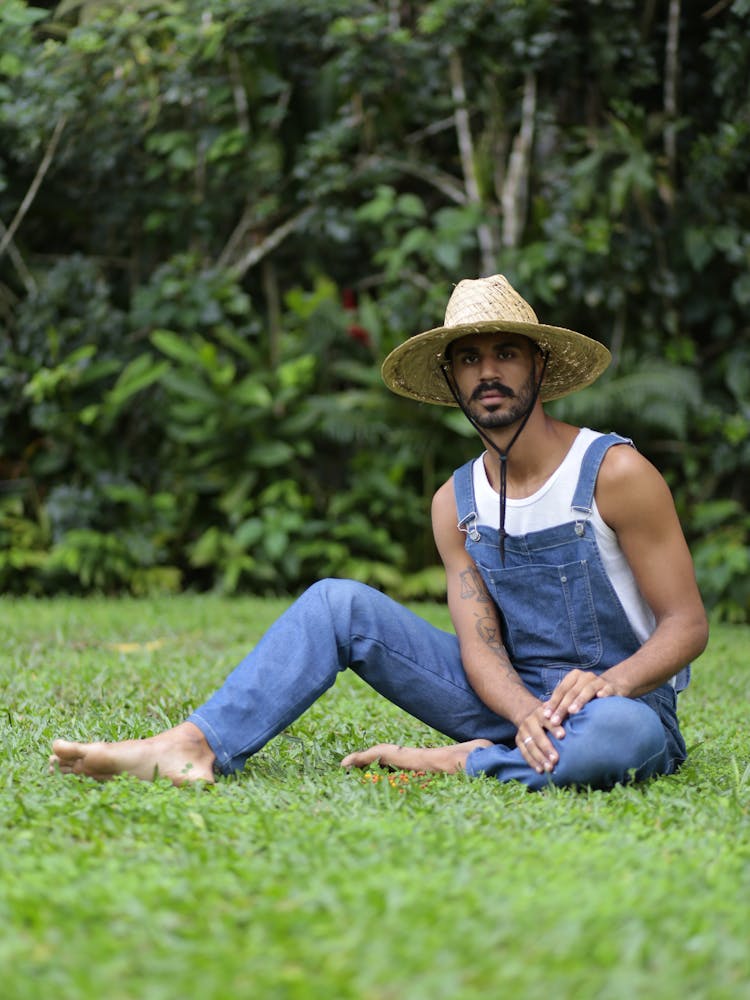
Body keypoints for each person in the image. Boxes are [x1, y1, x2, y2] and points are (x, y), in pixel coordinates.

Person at [49, 274, 709, 791]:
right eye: (469, 359)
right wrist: (522, 715)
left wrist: (610, 685)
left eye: (506, 353)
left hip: (618, 709)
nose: (488, 373)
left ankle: (465, 763)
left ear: (538, 366)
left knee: (613, 742)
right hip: (511, 707)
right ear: (450, 379)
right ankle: (194, 745)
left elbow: (686, 625)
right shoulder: (455, 503)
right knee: (337, 603)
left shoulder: (613, 472)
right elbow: (479, 647)